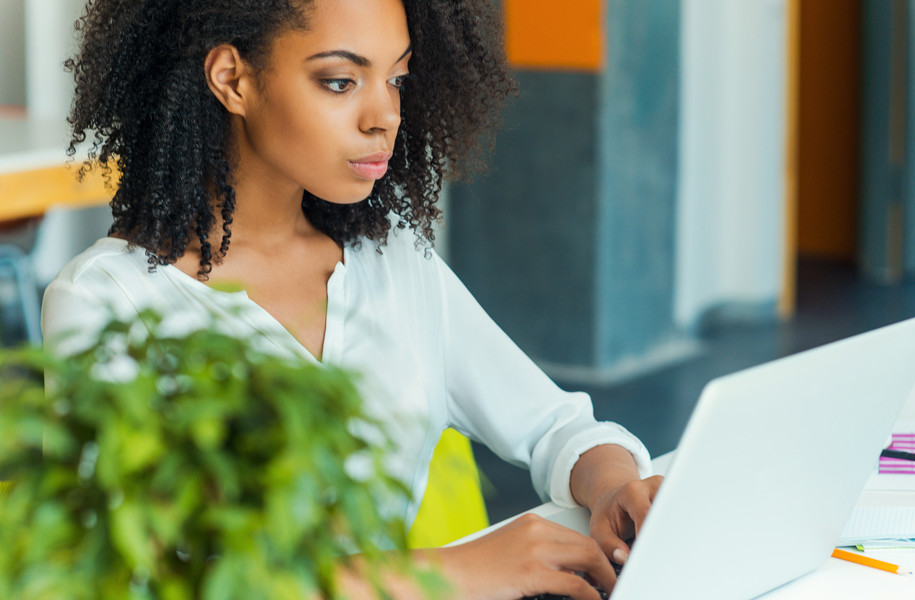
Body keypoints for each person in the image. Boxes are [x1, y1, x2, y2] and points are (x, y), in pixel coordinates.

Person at [42, 0, 663, 597]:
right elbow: (120, 579)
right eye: (340, 82)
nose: (383, 116)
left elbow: (557, 427)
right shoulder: (106, 301)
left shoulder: (392, 261)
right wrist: (447, 574)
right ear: (232, 79)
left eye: (396, 80)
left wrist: (612, 488)